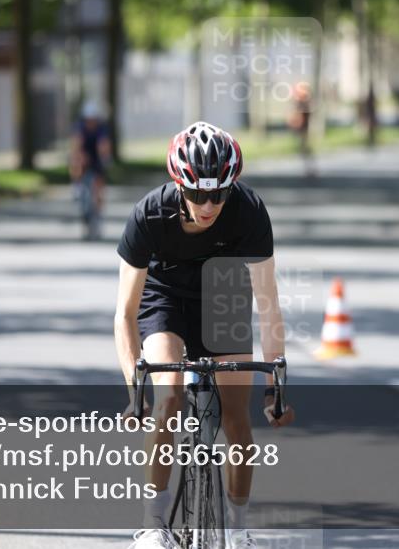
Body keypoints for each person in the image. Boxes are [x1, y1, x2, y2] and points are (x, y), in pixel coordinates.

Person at [115, 121, 295, 549]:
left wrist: (275, 389)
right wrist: (134, 389)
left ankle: (237, 530)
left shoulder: (249, 211)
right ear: (179, 186)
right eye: (197, 194)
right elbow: (124, 314)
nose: (208, 204)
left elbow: (268, 303)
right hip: (165, 299)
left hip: (224, 294)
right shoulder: (148, 215)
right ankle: (153, 523)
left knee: (237, 416)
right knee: (168, 399)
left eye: (218, 193)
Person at [69, 100, 112, 239]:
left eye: (93, 119)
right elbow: (77, 144)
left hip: (96, 159)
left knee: (98, 187)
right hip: (85, 156)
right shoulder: (80, 128)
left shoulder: (101, 128)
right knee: (78, 159)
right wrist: (78, 157)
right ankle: (76, 185)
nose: (90, 122)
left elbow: (103, 145)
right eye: (88, 119)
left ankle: (98, 218)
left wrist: (105, 159)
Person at [288, 82, 315, 177]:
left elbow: (301, 116)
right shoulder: (301, 102)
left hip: (303, 128)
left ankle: (310, 169)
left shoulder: (304, 103)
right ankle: (309, 169)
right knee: (304, 148)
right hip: (301, 128)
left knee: (305, 148)